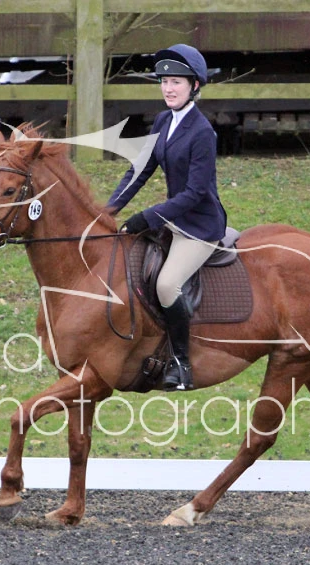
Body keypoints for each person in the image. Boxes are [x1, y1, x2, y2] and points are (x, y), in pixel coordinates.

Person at [106, 44, 227, 392]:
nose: (168, 89)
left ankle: (181, 363)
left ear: (194, 86)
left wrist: (147, 217)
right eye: (164, 82)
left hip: (199, 226)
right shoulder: (162, 121)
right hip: (173, 218)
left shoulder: (202, 132)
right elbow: (139, 171)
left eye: (176, 82)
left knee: (166, 284)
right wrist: (107, 212)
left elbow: (195, 193)